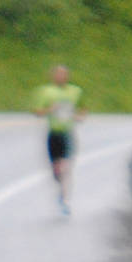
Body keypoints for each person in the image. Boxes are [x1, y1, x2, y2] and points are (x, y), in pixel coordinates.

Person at [30, 65, 84, 215]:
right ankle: (60, 184)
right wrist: (50, 110)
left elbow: (82, 109)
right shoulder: (46, 92)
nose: (61, 77)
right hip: (53, 133)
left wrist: (79, 116)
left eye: (64, 74)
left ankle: (65, 199)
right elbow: (37, 112)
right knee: (56, 171)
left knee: (65, 167)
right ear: (53, 76)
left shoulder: (75, 91)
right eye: (58, 74)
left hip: (67, 133)